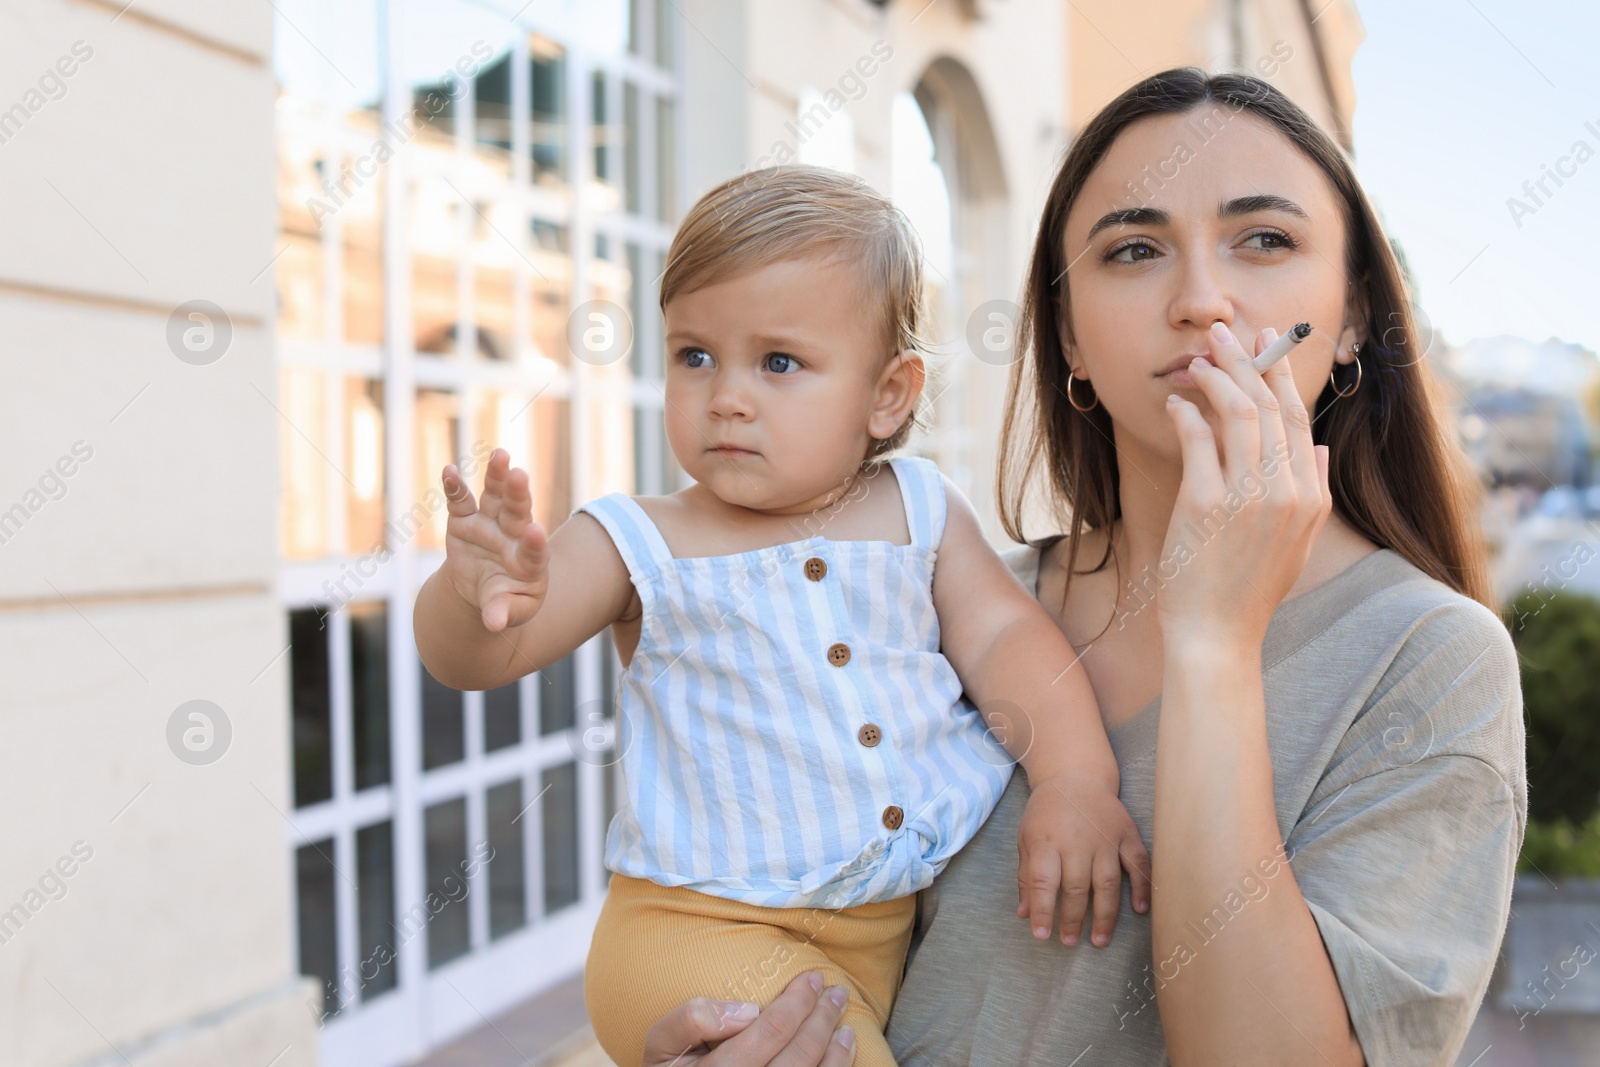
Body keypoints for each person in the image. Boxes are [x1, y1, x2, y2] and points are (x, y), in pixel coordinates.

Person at [640, 68, 1527, 1067]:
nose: (1200, 300)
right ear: (1067, 333)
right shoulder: (933, 601)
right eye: (1134, 250)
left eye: (1264, 240)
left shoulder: (1428, 658)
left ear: (1354, 313)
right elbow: (777, 935)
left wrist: (1213, 641)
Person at [412, 166, 1152, 1067]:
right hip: (693, 928)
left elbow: (1006, 639)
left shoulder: (920, 508)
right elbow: (480, 656)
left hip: (871, 943)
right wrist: (474, 598)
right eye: (695, 355)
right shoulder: (640, 537)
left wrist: (1076, 778)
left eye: (778, 362)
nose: (727, 394)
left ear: (888, 394)